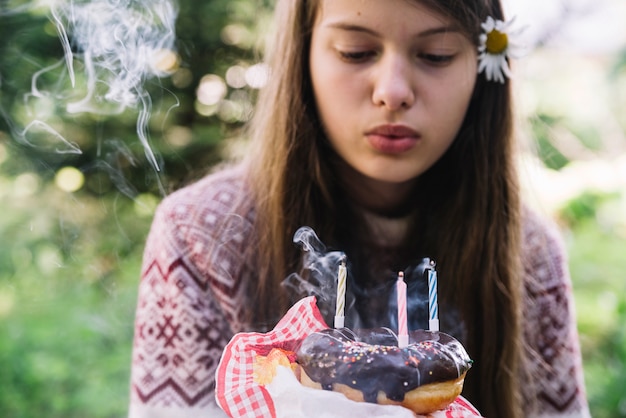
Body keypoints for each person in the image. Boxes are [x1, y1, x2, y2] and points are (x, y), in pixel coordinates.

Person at [128, 0, 591, 417]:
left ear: (483, 66)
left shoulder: (527, 254)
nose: (393, 92)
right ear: (302, 56)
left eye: (436, 55)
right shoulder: (204, 234)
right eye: (355, 51)